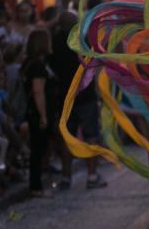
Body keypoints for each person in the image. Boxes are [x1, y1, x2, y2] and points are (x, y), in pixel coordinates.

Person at [51, 11, 105, 189]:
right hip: (85, 95)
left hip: (64, 96)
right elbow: (92, 64)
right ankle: (92, 175)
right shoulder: (81, 39)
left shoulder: (55, 41)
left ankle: (66, 177)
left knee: (67, 137)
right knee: (91, 136)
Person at [22, 29, 55, 198]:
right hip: (36, 113)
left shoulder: (29, 63)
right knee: (37, 149)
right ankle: (36, 186)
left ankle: (37, 185)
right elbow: (38, 91)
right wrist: (43, 115)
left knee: (39, 148)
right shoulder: (37, 66)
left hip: (33, 111)